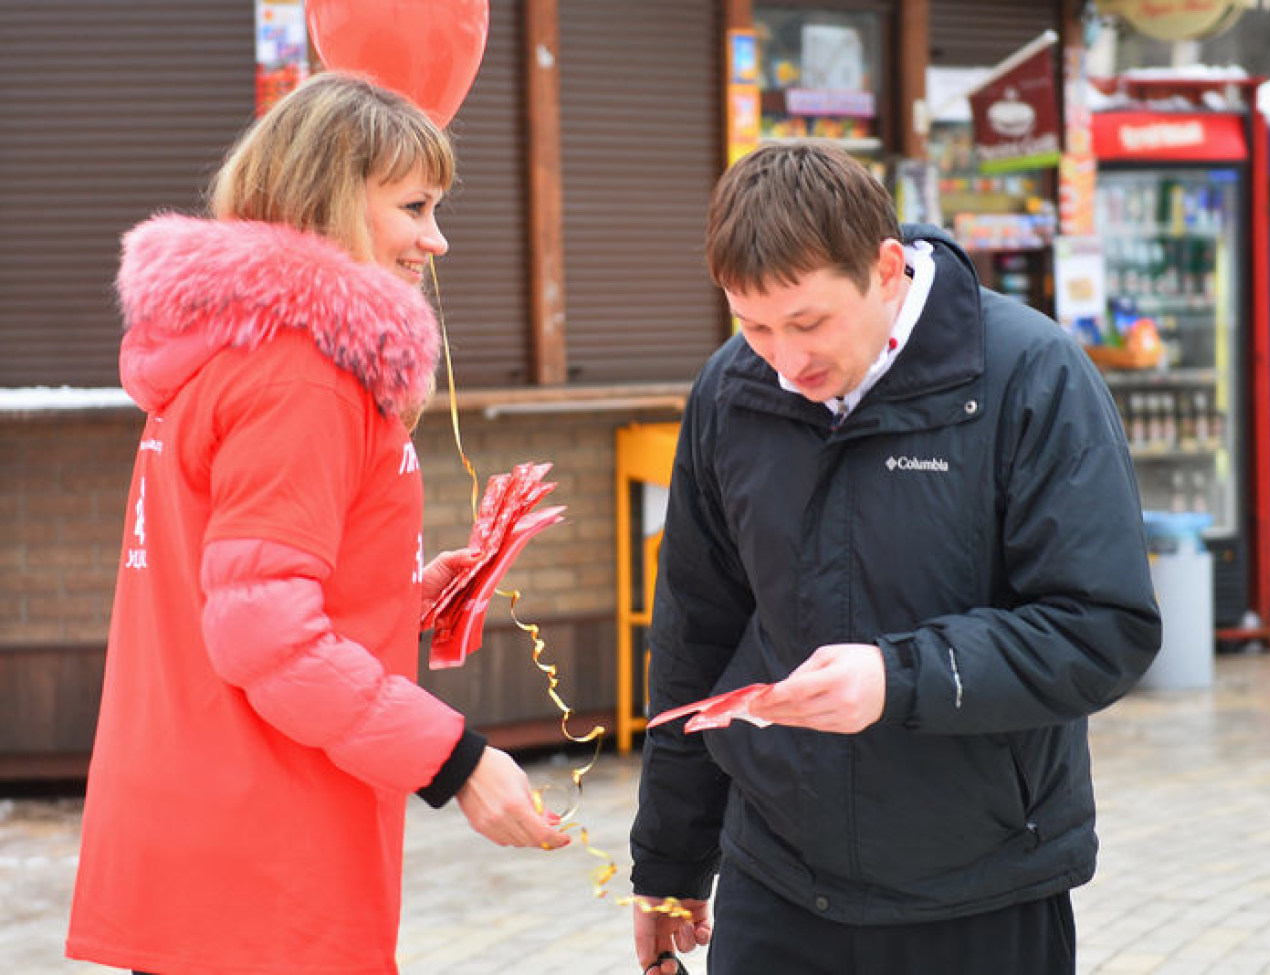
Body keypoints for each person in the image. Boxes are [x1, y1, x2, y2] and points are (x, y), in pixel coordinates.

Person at [65, 72, 568, 975]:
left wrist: (400, 594)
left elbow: (230, 582)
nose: (436, 239)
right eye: (414, 206)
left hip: (204, 824)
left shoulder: (232, 350)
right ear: (335, 198)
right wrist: (456, 761)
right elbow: (262, 633)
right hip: (263, 854)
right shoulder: (304, 374)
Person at [630, 143, 1161, 975]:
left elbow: (1101, 630)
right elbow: (695, 632)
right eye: (753, 324)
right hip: (776, 880)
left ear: (884, 269)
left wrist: (898, 678)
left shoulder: (1030, 374)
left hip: (980, 885)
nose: (785, 361)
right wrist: (668, 866)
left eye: (808, 323)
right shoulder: (731, 391)